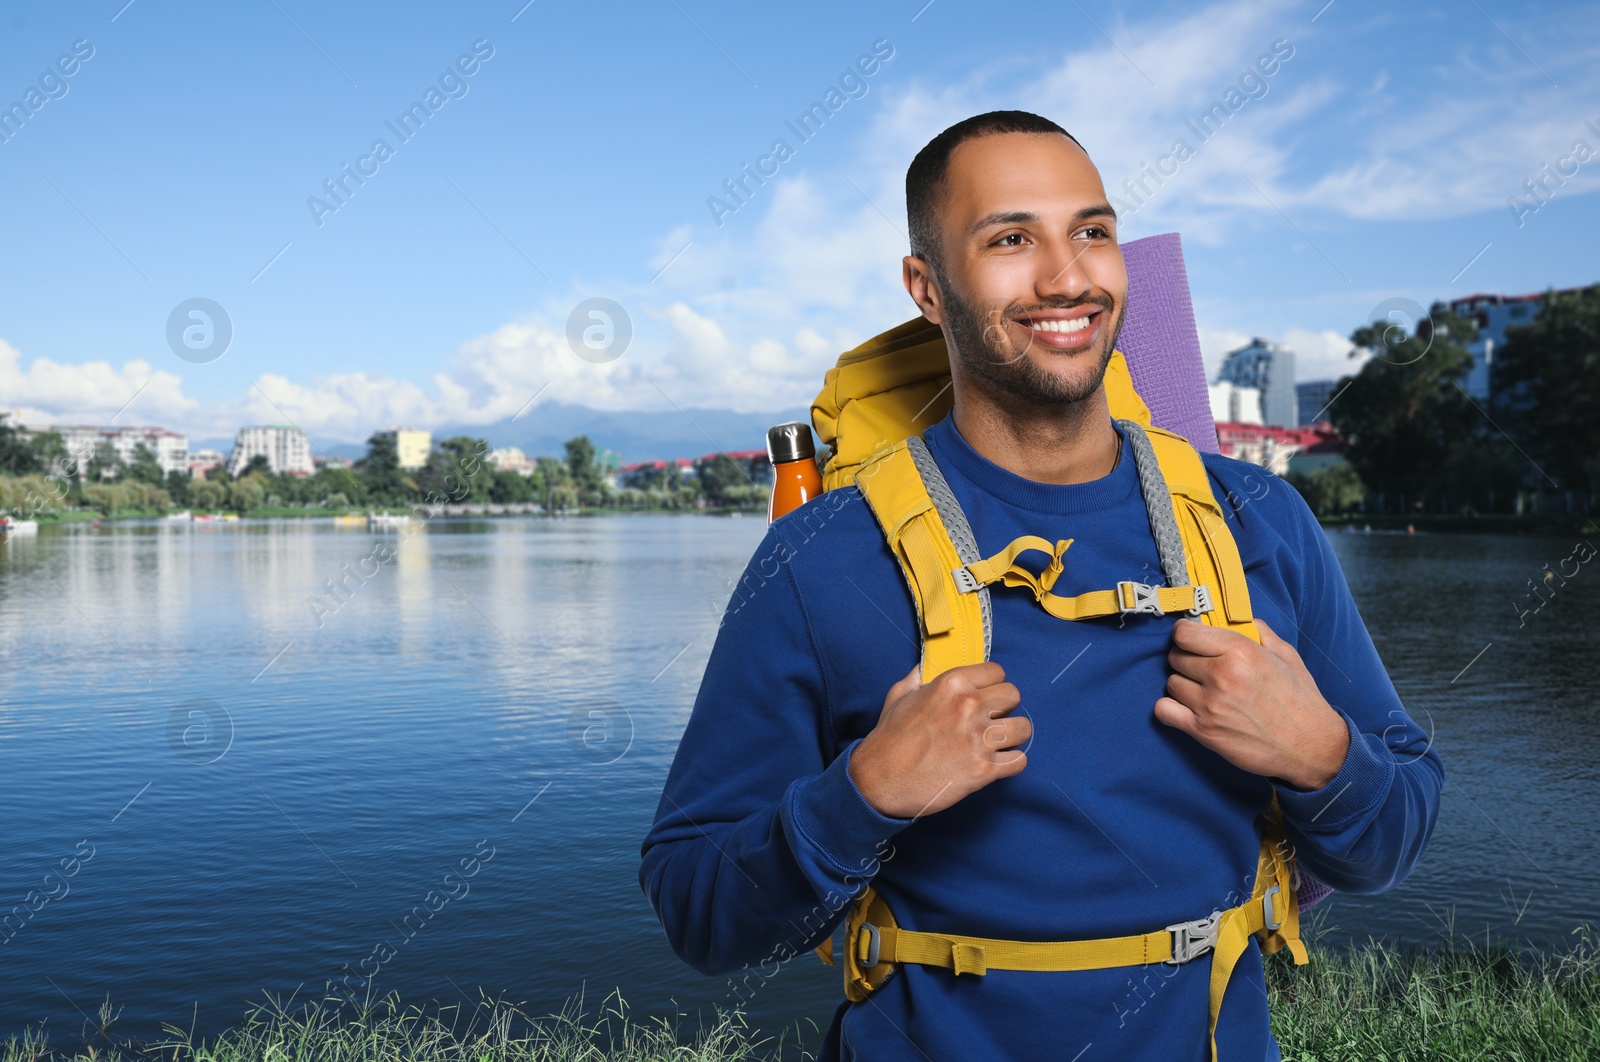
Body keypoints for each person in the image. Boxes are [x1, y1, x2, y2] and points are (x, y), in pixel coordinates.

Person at [640, 110, 1442, 1061]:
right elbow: (703, 917)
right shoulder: (816, 561)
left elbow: (1393, 839)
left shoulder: (1261, 522)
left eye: (1092, 232)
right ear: (928, 289)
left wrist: (1321, 754)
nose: (1068, 277)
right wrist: (861, 795)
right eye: (1011, 239)